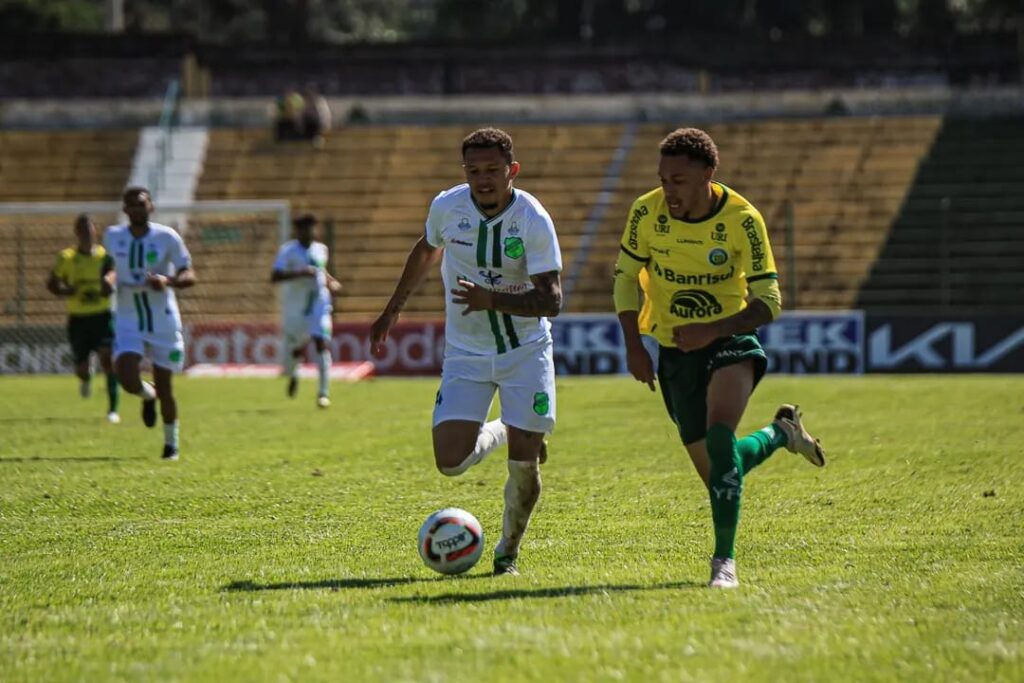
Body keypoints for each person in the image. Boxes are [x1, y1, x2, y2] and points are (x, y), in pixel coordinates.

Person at [612, 127, 826, 589]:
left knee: (719, 437)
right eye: (664, 179)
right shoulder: (646, 213)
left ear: (709, 174)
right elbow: (626, 278)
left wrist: (711, 329)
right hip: (673, 350)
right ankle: (779, 433)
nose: (669, 190)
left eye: (680, 181)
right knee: (720, 470)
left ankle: (723, 562)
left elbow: (769, 298)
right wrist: (634, 344)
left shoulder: (742, 219)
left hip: (730, 339)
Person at [370, 127, 562, 576]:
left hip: (525, 351)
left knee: (524, 470)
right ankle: (504, 429)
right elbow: (425, 250)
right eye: (474, 171)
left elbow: (551, 300)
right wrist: (391, 311)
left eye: (493, 170)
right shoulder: (447, 207)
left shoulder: (533, 219)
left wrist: (490, 299)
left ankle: (507, 553)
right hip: (466, 352)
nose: (484, 179)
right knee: (450, 463)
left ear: (511, 170)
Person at [104, 187, 195, 460]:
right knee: (127, 377)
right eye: (131, 205)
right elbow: (106, 268)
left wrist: (168, 281)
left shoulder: (167, 237)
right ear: (125, 209)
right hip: (128, 318)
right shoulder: (112, 236)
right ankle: (147, 396)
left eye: (141, 204)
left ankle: (171, 445)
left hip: (162, 319)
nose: (136, 209)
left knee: (166, 386)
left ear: (151, 207)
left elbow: (188, 273)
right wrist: (107, 280)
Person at [47, 214, 120, 423]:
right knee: (81, 369)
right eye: (83, 230)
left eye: (90, 229)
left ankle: (112, 410)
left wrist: (107, 283)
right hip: (78, 319)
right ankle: (86, 378)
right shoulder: (66, 258)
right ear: (77, 233)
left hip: (102, 317)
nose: (87, 233)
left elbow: (112, 276)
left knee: (108, 360)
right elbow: (52, 284)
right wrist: (66, 291)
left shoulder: (105, 257)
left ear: (95, 230)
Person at [271, 213, 342, 408]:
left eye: (313, 228)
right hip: (296, 309)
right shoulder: (288, 251)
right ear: (299, 230)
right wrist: (299, 272)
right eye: (306, 228)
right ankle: (293, 374)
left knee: (320, 343)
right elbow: (275, 276)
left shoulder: (321, 249)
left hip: (319, 305)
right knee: (296, 350)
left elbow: (321, 271)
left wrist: (331, 281)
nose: (311, 231)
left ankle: (323, 393)